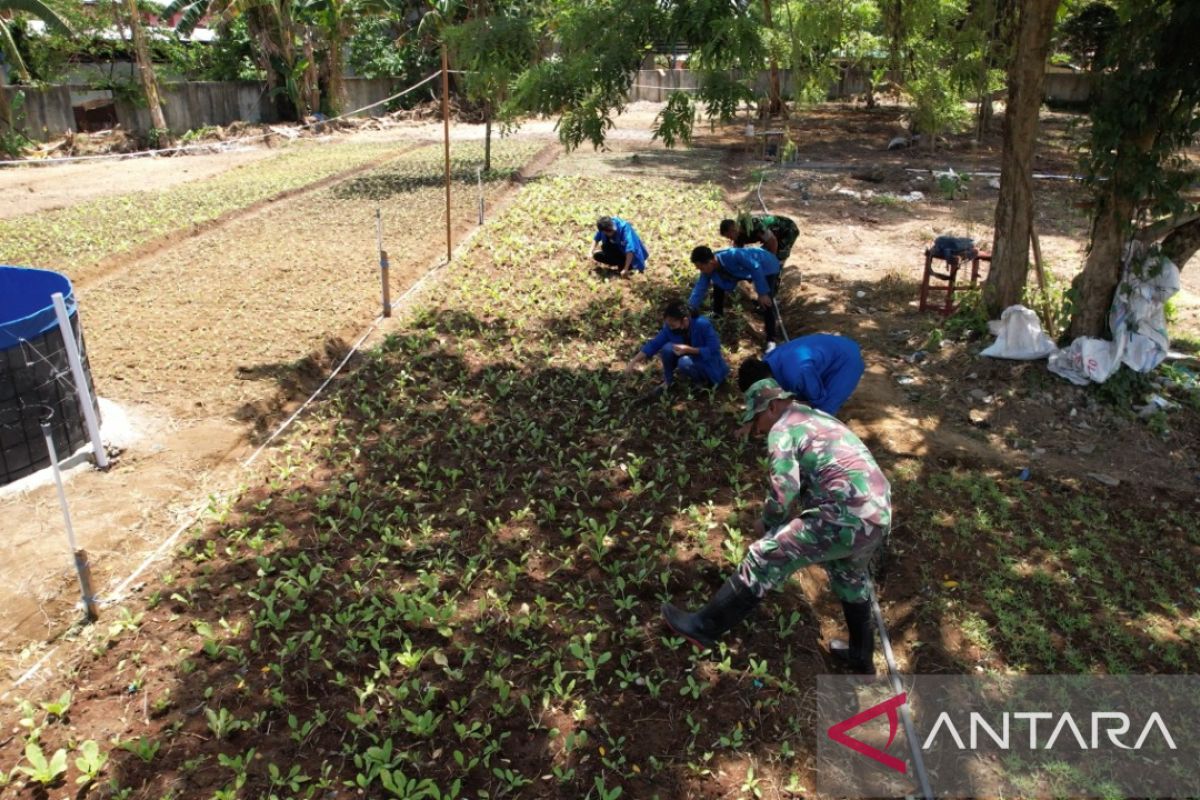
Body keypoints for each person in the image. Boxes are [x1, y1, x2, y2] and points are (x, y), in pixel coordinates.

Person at [661, 378, 891, 674]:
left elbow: (785, 488)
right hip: (877, 511)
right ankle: (861, 659)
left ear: (771, 406)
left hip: (845, 512)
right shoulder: (815, 416)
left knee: (763, 556)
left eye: (758, 420)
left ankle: (702, 628)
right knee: (849, 579)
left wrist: (769, 523)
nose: (760, 430)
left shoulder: (783, 428)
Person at [737, 334, 864, 417]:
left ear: (765, 382)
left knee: (822, 411)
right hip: (829, 348)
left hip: (846, 360)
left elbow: (817, 399)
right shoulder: (768, 361)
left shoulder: (798, 374)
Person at [626, 300, 729, 396]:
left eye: (673, 325)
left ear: (684, 321)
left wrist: (689, 350)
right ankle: (668, 381)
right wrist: (633, 361)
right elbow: (654, 344)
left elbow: (714, 348)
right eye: (668, 325)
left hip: (708, 361)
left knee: (684, 362)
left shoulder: (702, 324)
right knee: (666, 349)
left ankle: (702, 382)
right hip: (688, 356)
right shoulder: (670, 329)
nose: (670, 328)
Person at [688, 245, 781, 345]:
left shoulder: (734, 255)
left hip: (766, 267)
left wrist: (762, 293)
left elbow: (755, 266)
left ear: (710, 262)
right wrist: (690, 307)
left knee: (766, 301)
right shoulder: (710, 268)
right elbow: (700, 287)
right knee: (717, 283)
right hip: (741, 272)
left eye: (701, 268)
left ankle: (771, 340)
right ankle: (717, 314)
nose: (701, 271)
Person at [720, 213, 800, 265]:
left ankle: (774, 285)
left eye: (729, 236)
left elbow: (773, 242)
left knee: (777, 260)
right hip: (772, 235)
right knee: (761, 257)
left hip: (787, 230)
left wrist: (771, 260)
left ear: (733, 230)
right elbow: (737, 252)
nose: (730, 239)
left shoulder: (754, 225)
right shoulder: (738, 235)